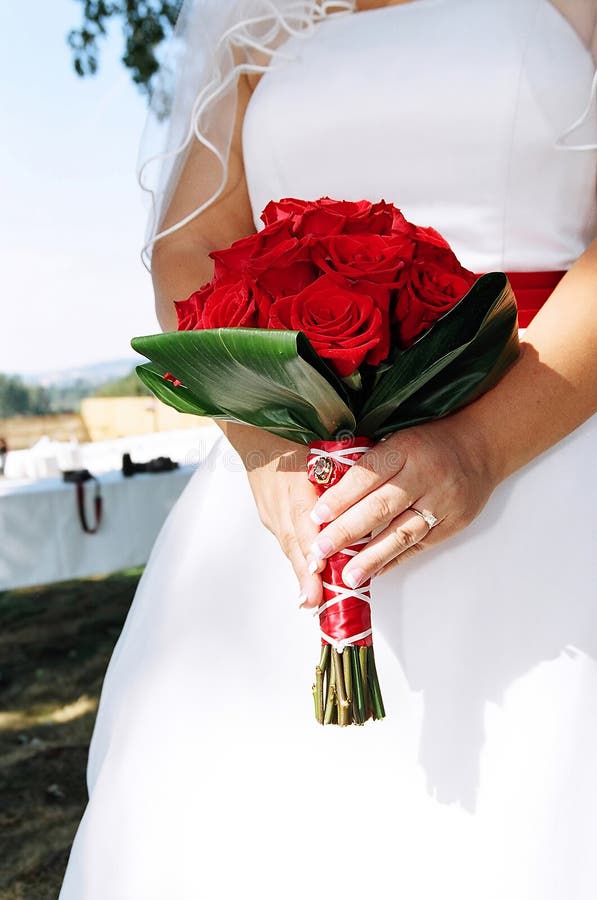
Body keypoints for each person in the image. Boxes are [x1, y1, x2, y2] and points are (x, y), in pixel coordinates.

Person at [60, 1, 597, 897]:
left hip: (551, 437)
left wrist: (476, 446)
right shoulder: (262, 23)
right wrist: (265, 439)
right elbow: (189, 244)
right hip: (294, 475)